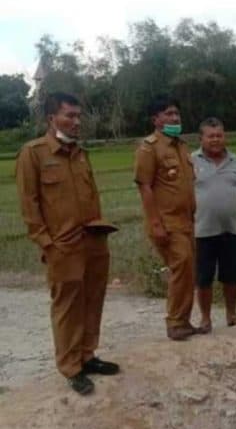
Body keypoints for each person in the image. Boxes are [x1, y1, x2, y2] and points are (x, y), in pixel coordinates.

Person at [15, 92, 119, 395]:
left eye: (78, 116)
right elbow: (29, 205)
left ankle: (88, 355)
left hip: (94, 239)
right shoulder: (33, 154)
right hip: (63, 245)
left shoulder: (80, 153)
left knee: (93, 299)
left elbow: (92, 196)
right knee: (67, 306)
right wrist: (47, 244)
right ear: (52, 118)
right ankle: (71, 367)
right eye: (70, 115)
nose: (76, 121)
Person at [134, 96, 197, 340]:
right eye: (169, 114)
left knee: (188, 269)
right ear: (156, 119)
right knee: (181, 265)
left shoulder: (181, 146)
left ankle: (184, 320)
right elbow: (145, 186)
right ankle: (175, 322)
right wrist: (155, 223)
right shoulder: (149, 148)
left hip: (187, 220)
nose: (175, 118)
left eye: (176, 113)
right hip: (167, 222)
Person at [191, 118, 236, 332]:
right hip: (201, 231)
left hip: (231, 228)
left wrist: (227, 203)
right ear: (201, 138)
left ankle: (232, 314)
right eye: (211, 136)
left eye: (219, 135)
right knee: (203, 278)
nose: (216, 140)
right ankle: (205, 319)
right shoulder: (191, 161)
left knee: (232, 275)